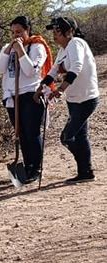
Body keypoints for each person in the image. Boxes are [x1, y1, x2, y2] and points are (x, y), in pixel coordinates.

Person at [34, 17, 99, 182]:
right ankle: (85, 171)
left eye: (58, 31)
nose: (54, 35)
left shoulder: (76, 44)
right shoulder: (63, 50)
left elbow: (76, 66)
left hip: (86, 98)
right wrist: (40, 88)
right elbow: (54, 71)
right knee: (81, 135)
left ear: (69, 32)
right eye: (53, 31)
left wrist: (61, 89)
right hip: (74, 100)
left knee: (67, 137)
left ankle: (85, 167)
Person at [0, 16, 53, 184]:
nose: (15, 36)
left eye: (19, 32)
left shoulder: (37, 46)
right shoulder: (7, 47)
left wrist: (21, 50)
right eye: (12, 33)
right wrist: (8, 51)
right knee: (20, 133)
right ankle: (26, 166)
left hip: (30, 94)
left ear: (28, 30)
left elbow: (30, 71)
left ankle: (36, 168)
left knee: (31, 131)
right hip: (12, 96)